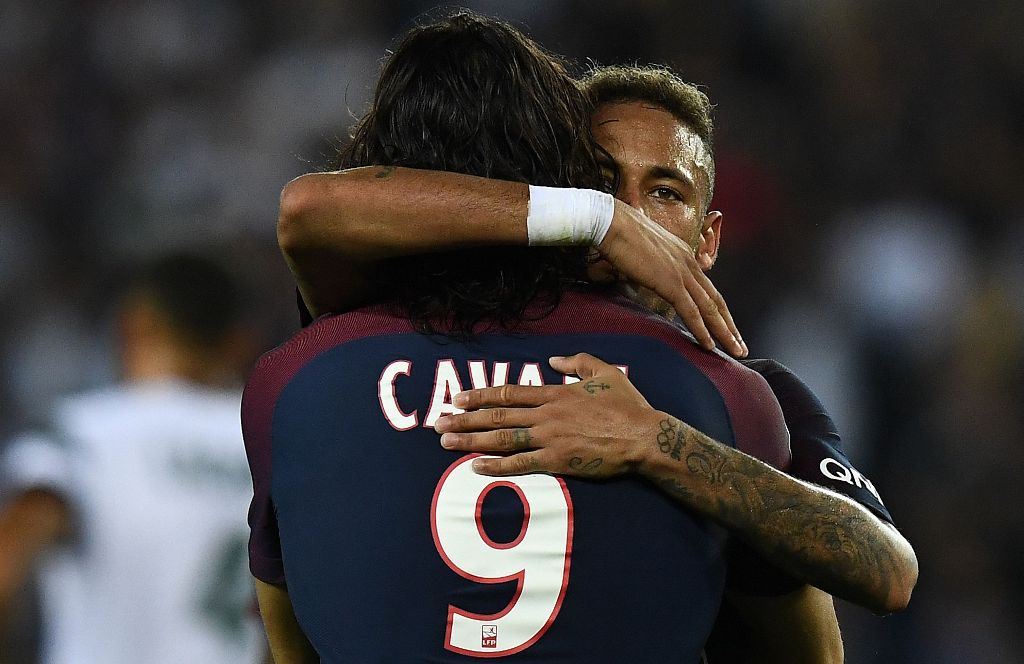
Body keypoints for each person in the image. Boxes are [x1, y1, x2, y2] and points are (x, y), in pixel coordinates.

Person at [276, 53, 917, 658]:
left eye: (665, 192)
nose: (632, 218)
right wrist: (593, 219)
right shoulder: (463, 334)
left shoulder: (747, 393)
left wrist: (658, 441)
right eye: (603, 187)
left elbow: (888, 571)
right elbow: (312, 208)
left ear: (708, 236)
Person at [0, 253, 265, 664]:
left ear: (134, 324)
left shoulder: (82, 435)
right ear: (239, 340)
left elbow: (7, 567)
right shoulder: (271, 448)